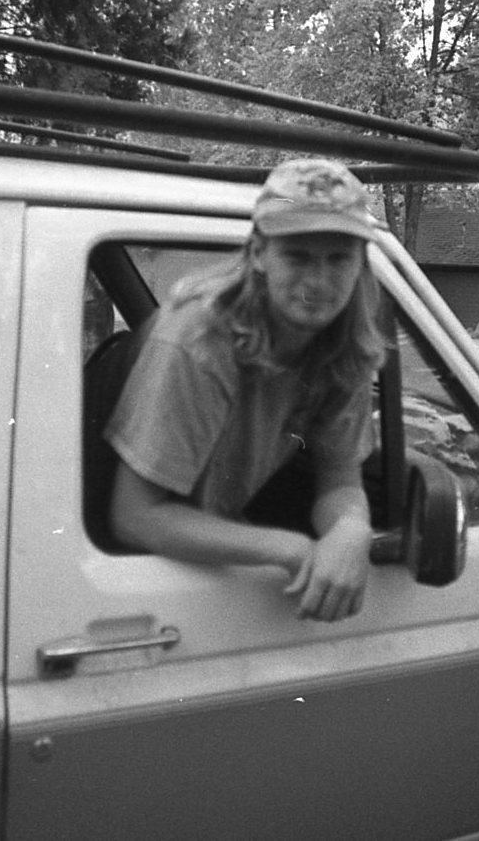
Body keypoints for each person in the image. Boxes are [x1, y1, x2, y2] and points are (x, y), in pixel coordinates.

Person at [105, 158, 387, 622]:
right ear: (258, 254)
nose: (318, 283)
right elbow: (136, 516)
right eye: (297, 257)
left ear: (361, 264)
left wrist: (351, 530)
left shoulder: (344, 344)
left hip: (202, 559)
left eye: (339, 259)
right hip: (132, 585)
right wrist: (292, 549)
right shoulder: (198, 341)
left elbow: (339, 478)